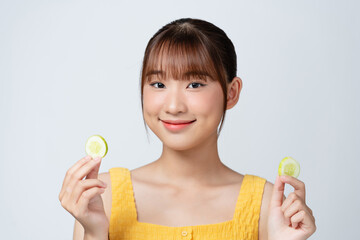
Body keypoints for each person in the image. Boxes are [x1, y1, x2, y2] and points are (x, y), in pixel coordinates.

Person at [59, 18, 316, 240]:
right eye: (158, 84)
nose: (173, 106)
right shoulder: (101, 196)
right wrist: (93, 232)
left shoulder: (268, 204)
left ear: (232, 92)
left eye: (194, 84)